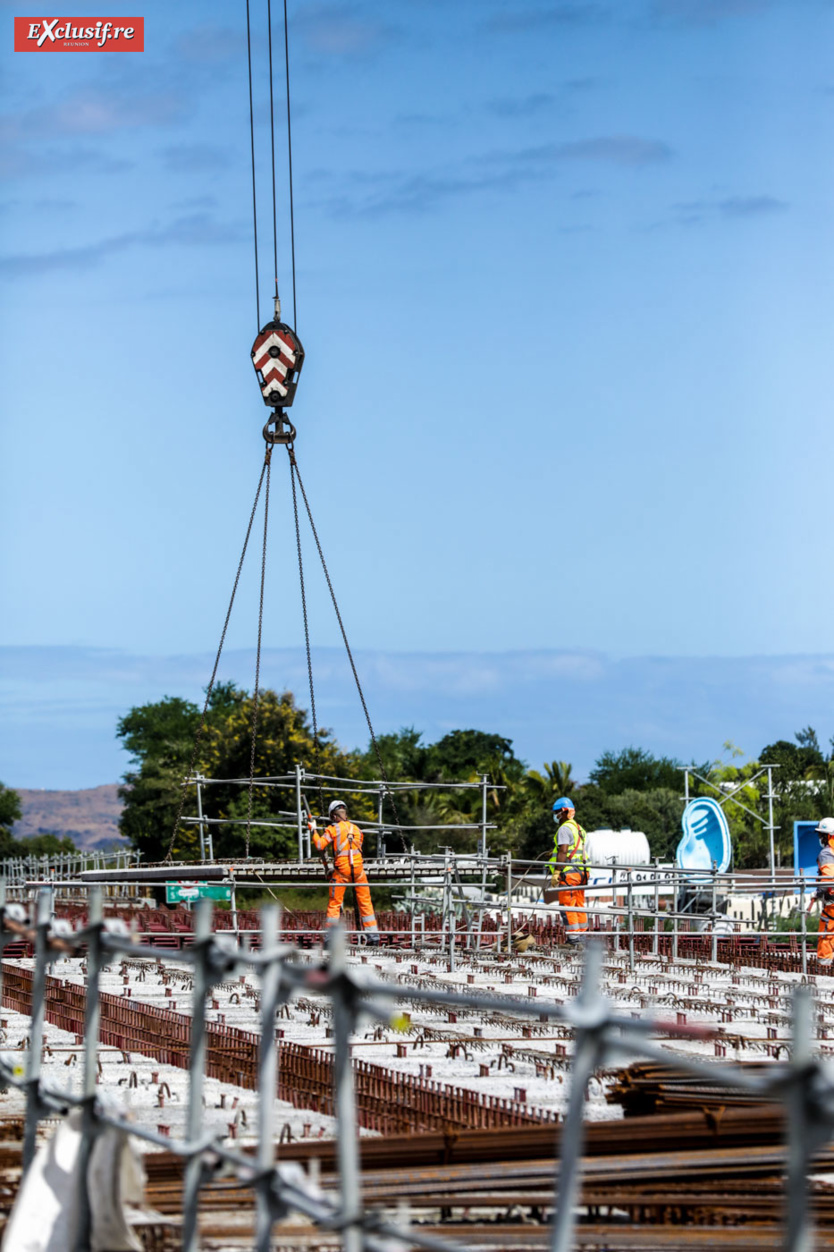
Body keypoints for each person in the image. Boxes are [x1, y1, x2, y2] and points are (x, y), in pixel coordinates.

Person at [312, 799, 380, 945]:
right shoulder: (357, 830)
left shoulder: (333, 829)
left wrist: (313, 830)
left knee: (335, 904)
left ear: (333, 816)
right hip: (359, 871)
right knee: (365, 903)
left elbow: (319, 845)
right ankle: (373, 937)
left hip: (342, 872)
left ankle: (330, 940)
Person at [548, 796, 588, 944]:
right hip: (582, 873)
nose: (555, 815)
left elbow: (564, 851)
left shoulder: (564, 828)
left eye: (557, 812)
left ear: (564, 812)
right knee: (578, 904)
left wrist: (557, 871)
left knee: (567, 905)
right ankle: (582, 936)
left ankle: (573, 939)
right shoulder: (579, 828)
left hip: (569, 873)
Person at [810, 817, 834, 967]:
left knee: (826, 933)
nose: (820, 838)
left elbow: (829, 878)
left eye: (822, 835)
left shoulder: (826, 853)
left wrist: (818, 893)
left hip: (832, 904)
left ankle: (824, 966)